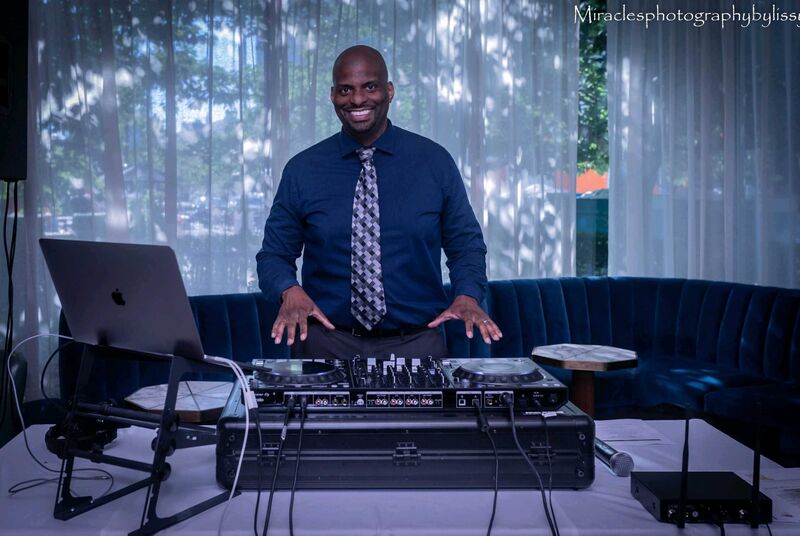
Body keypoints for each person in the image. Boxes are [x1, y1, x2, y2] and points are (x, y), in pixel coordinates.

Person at [256, 45, 501, 359]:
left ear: (390, 91)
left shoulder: (434, 163)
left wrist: (467, 294)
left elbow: (465, 245)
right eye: (346, 90)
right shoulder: (302, 170)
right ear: (332, 96)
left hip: (416, 345)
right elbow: (274, 255)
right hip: (325, 343)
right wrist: (288, 290)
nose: (357, 99)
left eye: (370, 86)